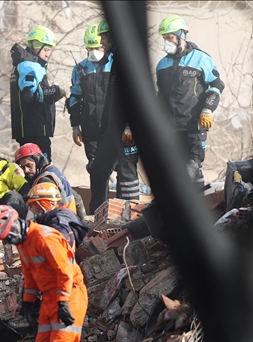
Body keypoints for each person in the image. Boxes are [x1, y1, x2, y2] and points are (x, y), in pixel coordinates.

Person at [0, 205, 87, 342]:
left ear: (14, 224)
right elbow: (30, 275)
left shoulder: (44, 237)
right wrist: (28, 301)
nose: (7, 241)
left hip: (70, 292)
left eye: (7, 236)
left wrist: (63, 303)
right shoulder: (24, 244)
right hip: (51, 296)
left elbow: (65, 272)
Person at [69, 22, 140, 212]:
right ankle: (98, 212)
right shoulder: (83, 69)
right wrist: (76, 125)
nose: (101, 43)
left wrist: (130, 125)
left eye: (103, 40)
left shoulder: (124, 62)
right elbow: (75, 97)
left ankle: (127, 212)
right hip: (103, 128)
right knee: (98, 169)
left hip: (124, 128)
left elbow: (136, 96)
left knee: (125, 172)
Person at [155, 14, 224, 187]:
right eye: (164, 38)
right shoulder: (162, 65)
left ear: (182, 36)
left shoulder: (201, 59)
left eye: (170, 37)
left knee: (191, 167)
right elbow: (161, 96)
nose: (167, 42)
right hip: (170, 128)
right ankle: (198, 206)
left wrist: (208, 109)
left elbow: (216, 85)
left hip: (194, 125)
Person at [9, 25, 66, 161]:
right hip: (35, 131)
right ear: (36, 46)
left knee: (31, 169)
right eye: (45, 49)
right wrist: (54, 90)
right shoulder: (29, 65)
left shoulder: (23, 64)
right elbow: (29, 95)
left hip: (29, 129)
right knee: (44, 167)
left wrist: (51, 97)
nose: (47, 54)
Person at [15, 143, 86, 219]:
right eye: (23, 167)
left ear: (38, 161)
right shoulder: (54, 172)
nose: (26, 170)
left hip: (57, 223)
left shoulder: (44, 180)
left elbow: (41, 210)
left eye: (29, 165)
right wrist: (82, 221)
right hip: (68, 221)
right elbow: (77, 198)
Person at [25, 182, 88, 250]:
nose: (29, 209)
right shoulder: (64, 214)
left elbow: (58, 250)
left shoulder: (57, 225)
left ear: (42, 205)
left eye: (31, 205)